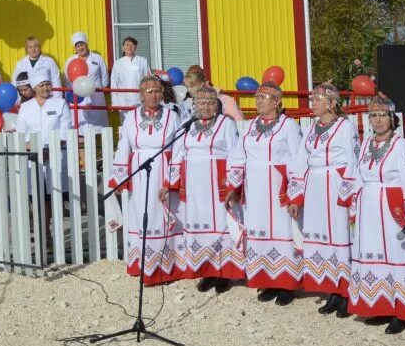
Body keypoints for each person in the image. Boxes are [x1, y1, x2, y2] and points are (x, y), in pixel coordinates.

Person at [343, 93, 405, 332]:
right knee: (371, 252)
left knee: (396, 254)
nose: (377, 120)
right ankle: (378, 304)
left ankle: (402, 310)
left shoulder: (400, 145)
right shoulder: (366, 143)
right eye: (373, 115)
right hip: (368, 205)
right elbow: (357, 175)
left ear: (392, 118)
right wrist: (354, 206)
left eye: (382, 115)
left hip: (390, 205)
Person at [225, 80, 306, 304]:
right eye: (257, 97)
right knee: (258, 230)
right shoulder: (250, 126)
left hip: (278, 186)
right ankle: (268, 280)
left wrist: (295, 194)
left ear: (277, 102)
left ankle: (287, 284)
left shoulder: (289, 126)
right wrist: (233, 185)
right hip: (254, 188)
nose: (258, 101)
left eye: (263, 97)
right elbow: (237, 156)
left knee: (282, 231)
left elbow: (298, 160)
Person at [287, 82, 358, 316]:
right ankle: (331, 290)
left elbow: (352, 161)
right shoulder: (310, 128)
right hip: (314, 185)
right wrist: (296, 197)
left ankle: (345, 292)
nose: (313, 104)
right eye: (312, 99)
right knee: (320, 236)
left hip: (336, 184)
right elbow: (300, 161)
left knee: (339, 235)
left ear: (331, 103)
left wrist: (349, 194)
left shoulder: (345, 127)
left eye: (317, 100)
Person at [108, 74, 183, 284]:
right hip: (140, 171)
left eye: (157, 91)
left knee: (161, 215)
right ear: (141, 95)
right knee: (141, 213)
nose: (154, 95)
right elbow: (124, 147)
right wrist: (120, 178)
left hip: (162, 169)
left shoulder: (172, 116)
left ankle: (163, 267)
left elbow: (178, 149)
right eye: (149, 92)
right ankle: (143, 265)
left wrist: (171, 180)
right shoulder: (131, 117)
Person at [166, 86, 242, 292]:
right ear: (195, 105)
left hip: (217, 182)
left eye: (210, 103)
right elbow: (177, 155)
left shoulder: (226, 124)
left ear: (217, 106)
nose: (206, 107)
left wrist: (233, 185)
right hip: (193, 185)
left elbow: (236, 153)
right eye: (202, 103)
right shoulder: (187, 125)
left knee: (220, 225)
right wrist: (169, 184)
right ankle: (207, 270)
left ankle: (224, 273)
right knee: (199, 224)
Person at [15, 67, 72, 199]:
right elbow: (21, 134)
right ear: (34, 87)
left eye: (48, 84)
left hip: (57, 156)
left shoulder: (60, 103)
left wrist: (50, 150)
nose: (46, 88)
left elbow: (65, 131)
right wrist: (35, 150)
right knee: (36, 196)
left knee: (56, 198)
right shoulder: (25, 107)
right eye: (42, 85)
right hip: (33, 158)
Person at [64, 31, 109, 131]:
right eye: (77, 46)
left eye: (82, 44)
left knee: (98, 130)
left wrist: (96, 89)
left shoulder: (98, 59)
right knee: (79, 129)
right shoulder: (70, 61)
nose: (80, 48)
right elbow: (67, 81)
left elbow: (105, 80)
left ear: (86, 44)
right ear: (75, 48)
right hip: (78, 99)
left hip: (96, 98)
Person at [110, 36, 152, 111]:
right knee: (126, 122)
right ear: (123, 48)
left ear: (135, 47)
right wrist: (115, 103)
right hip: (123, 101)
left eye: (131, 44)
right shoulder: (118, 63)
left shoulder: (143, 61)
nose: (129, 47)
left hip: (139, 99)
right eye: (126, 45)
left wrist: (148, 97)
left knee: (139, 121)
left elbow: (148, 80)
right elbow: (114, 83)